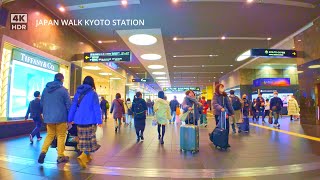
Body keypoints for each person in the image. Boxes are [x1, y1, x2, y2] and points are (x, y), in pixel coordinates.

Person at [68, 76, 102, 168]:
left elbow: (73, 106)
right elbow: (96, 108)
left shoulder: (78, 93)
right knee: (90, 139)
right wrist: (99, 120)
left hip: (79, 120)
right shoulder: (93, 93)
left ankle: (87, 157)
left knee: (83, 139)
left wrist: (70, 119)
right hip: (90, 120)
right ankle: (83, 156)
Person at [38, 73, 71, 164]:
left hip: (49, 117)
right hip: (61, 117)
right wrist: (70, 118)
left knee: (50, 135)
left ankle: (43, 152)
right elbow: (69, 105)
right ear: (62, 80)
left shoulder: (45, 89)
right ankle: (60, 155)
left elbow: (41, 103)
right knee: (61, 136)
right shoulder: (63, 90)